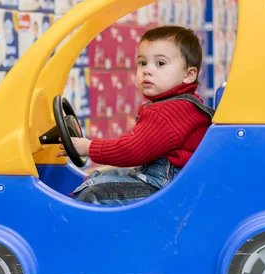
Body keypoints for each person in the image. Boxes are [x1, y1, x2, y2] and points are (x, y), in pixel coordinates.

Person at [60, 26, 214, 205]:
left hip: (165, 188)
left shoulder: (167, 112)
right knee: (103, 177)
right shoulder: (186, 104)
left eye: (160, 64)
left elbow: (132, 151)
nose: (147, 70)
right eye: (142, 63)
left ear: (188, 75)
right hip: (173, 183)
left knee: (93, 193)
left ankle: (70, 229)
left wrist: (88, 147)